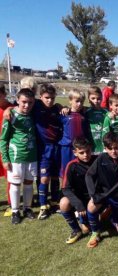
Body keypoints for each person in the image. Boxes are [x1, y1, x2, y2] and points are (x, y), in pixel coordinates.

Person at [0, 89, 37, 224]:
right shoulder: (10, 115)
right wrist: (5, 158)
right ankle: (15, 211)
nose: (27, 105)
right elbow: (3, 139)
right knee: (15, 184)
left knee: (28, 183)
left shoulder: (34, 113)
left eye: (30, 102)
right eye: (23, 102)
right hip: (16, 156)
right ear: (17, 100)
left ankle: (27, 208)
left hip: (32, 156)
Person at [34, 84, 63, 219]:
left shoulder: (57, 109)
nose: (49, 100)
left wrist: (63, 108)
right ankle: (43, 205)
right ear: (40, 97)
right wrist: (9, 109)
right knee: (44, 178)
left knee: (55, 177)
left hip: (57, 147)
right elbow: (18, 104)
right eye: (46, 98)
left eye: (52, 98)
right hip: (44, 148)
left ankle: (55, 202)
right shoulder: (36, 107)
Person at [60, 138, 96, 244]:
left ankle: (92, 220)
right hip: (80, 200)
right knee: (64, 203)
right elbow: (65, 188)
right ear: (75, 153)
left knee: (90, 228)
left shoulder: (97, 160)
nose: (85, 155)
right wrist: (78, 204)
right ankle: (76, 230)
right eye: (81, 152)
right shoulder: (71, 166)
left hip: (96, 198)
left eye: (88, 151)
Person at [59, 89, 90, 178]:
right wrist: (63, 107)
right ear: (70, 100)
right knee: (66, 172)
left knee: (80, 171)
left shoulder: (84, 114)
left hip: (80, 148)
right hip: (67, 148)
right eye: (77, 101)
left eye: (81, 101)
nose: (79, 104)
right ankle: (64, 190)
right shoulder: (64, 114)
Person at [0, 83, 14, 217]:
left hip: (6, 148)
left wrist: (9, 108)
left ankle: (11, 204)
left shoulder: (11, 109)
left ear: (4, 94)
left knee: (9, 177)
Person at [85, 86, 107, 154]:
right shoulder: (85, 112)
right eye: (93, 98)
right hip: (91, 150)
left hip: (104, 149)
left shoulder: (107, 112)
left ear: (102, 98)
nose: (96, 101)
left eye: (98, 98)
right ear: (88, 99)